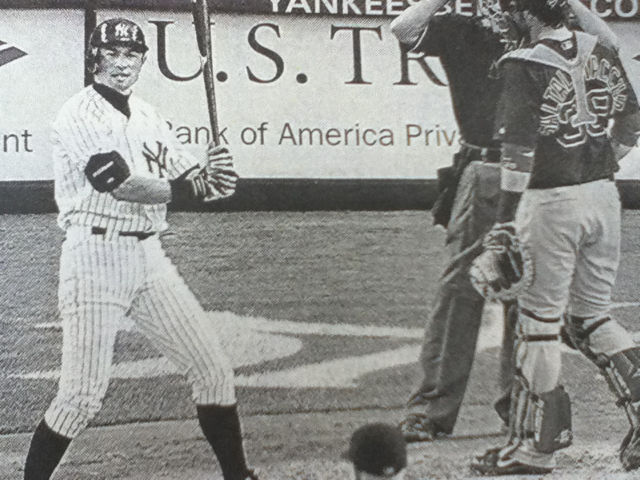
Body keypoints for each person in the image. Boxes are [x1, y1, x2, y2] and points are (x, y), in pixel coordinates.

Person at [23, 18, 258, 480]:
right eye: (112, 53)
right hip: (94, 257)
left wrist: (218, 174)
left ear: (143, 61)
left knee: (213, 372)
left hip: (149, 258)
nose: (122, 63)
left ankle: (238, 476)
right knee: (80, 397)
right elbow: (118, 183)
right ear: (94, 58)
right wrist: (193, 188)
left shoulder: (149, 116)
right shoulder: (77, 113)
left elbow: (197, 182)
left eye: (131, 54)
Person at [389, 0, 618, 442]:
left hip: (543, 173)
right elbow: (404, 27)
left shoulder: (547, 31)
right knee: (462, 289)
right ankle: (433, 408)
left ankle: (521, 404)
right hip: (490, 169)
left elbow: (607, 44)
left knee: (529, 291)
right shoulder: (464, 29)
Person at [470, 0, 640, 474]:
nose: (503, 17)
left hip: (550, 203)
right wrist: (602, 162)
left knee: (539, 325)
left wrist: (504, 221)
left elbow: (519, 154)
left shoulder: (523, 64)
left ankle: (535, 450)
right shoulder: (598, 48)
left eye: (509, 9)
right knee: (591, 318)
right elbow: (632, 120)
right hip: (603, 195)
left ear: (527, 14)